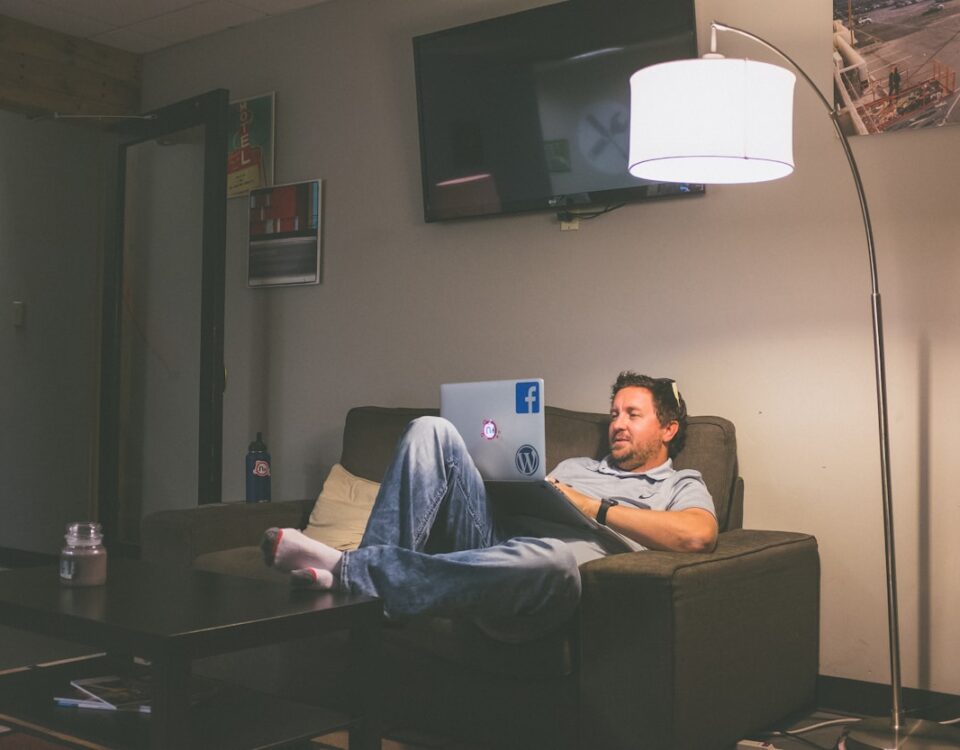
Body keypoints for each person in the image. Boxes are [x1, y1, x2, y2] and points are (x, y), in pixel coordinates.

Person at [261, 372, 718, 640]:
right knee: (430, 430)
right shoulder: (577, 464)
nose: (617, 424)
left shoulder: (678, 483)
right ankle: (366, 585)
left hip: (539, 583)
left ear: (669, 429)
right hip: (489, 541)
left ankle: (352, 572)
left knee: (554, 558)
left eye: (632, 415)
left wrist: (591, 506)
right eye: (615, 413)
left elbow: (697, 535)